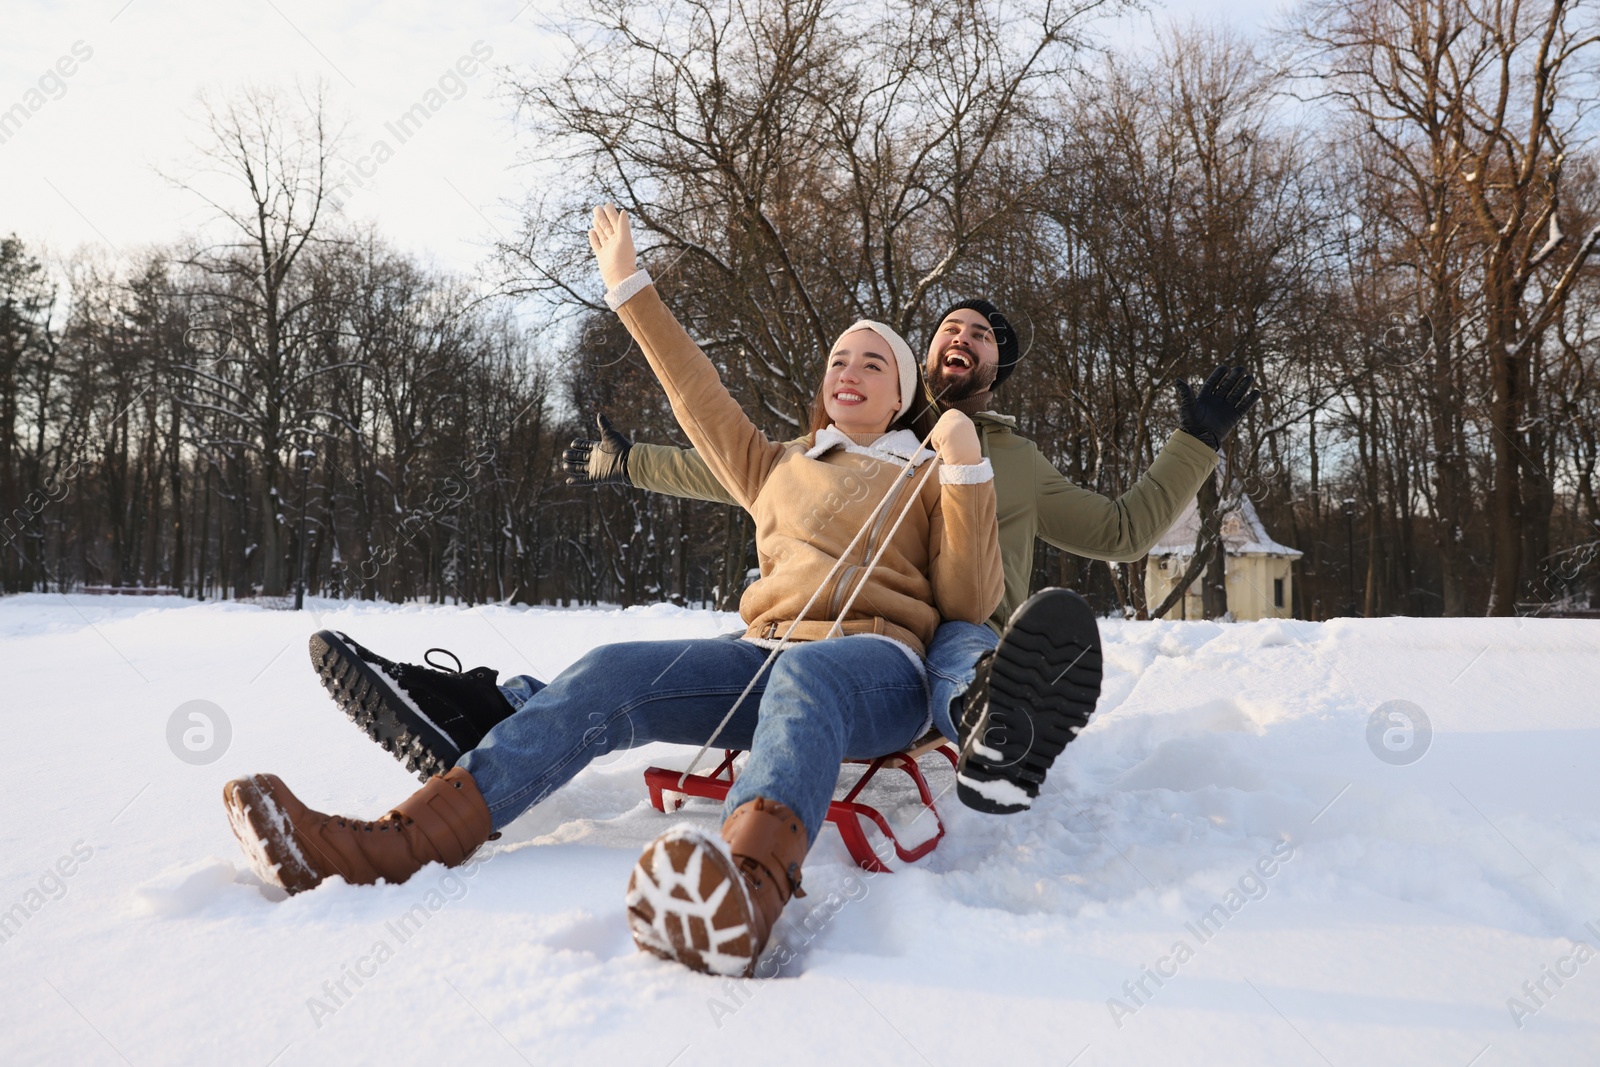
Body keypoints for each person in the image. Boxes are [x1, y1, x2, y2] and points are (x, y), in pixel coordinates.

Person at [222, 204, 1004, 978]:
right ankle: (404, 840)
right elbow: (697, 392)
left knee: (806, 677)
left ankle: (750, 887)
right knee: (611, 670)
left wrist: (966, 461)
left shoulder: (926, 472)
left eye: (873, 363)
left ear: (902, 392)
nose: (849, 372)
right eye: (838, 359)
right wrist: (631, 286)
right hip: (766, 656)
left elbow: (969, 598)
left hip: (877, 671)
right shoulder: (776, 463)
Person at [313, 299, 1260, 813]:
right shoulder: (864, 432)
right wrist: (626, 460)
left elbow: (1126, 529)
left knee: (962, 645)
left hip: (947, 634)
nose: (963, 339)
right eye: (949, 329)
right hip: (822, 626)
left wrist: (1197, 443)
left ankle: (994, 725)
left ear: (996, 368)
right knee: (639, 671)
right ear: (915, 361)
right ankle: (493, 712)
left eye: (983, 336)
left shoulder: (1013, 460)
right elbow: (744, 468)